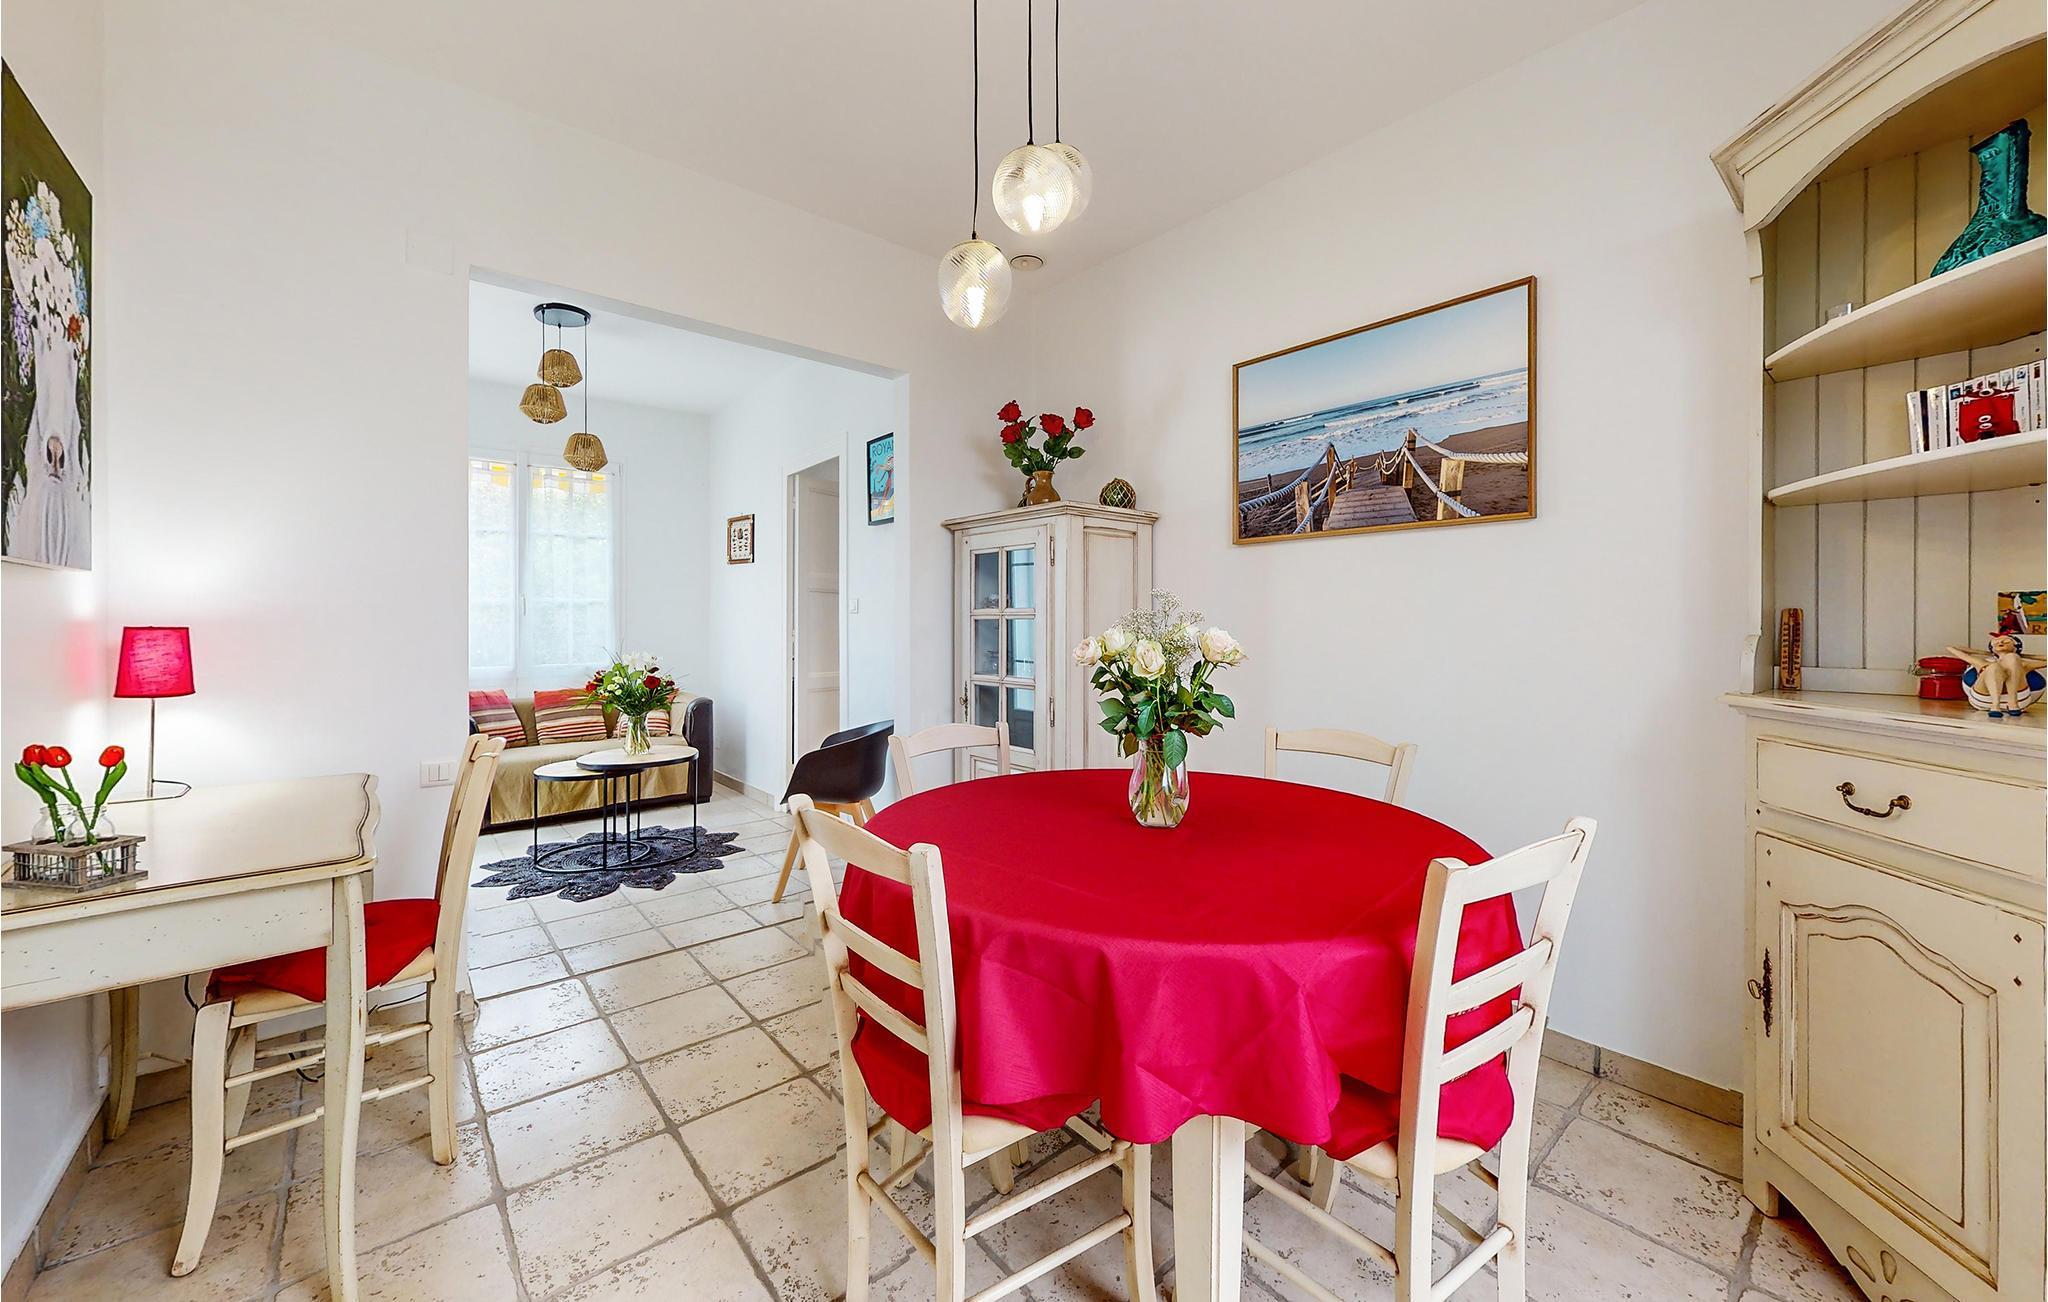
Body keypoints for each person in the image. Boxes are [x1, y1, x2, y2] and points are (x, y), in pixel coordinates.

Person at [1945, 632, 2047, 718]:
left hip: (2019, 699)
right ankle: (1995, 704)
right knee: (1993, 667)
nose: (2000, 642)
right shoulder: (1983, 662)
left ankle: (2012, 702)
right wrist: (1988, 653)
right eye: (1996, 642)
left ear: (2016, 646)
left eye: (2006, 641)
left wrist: (2022, 655)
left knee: (2012, 658)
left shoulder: (2023, 663)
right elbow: (1951, 648)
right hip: (1984, 699)